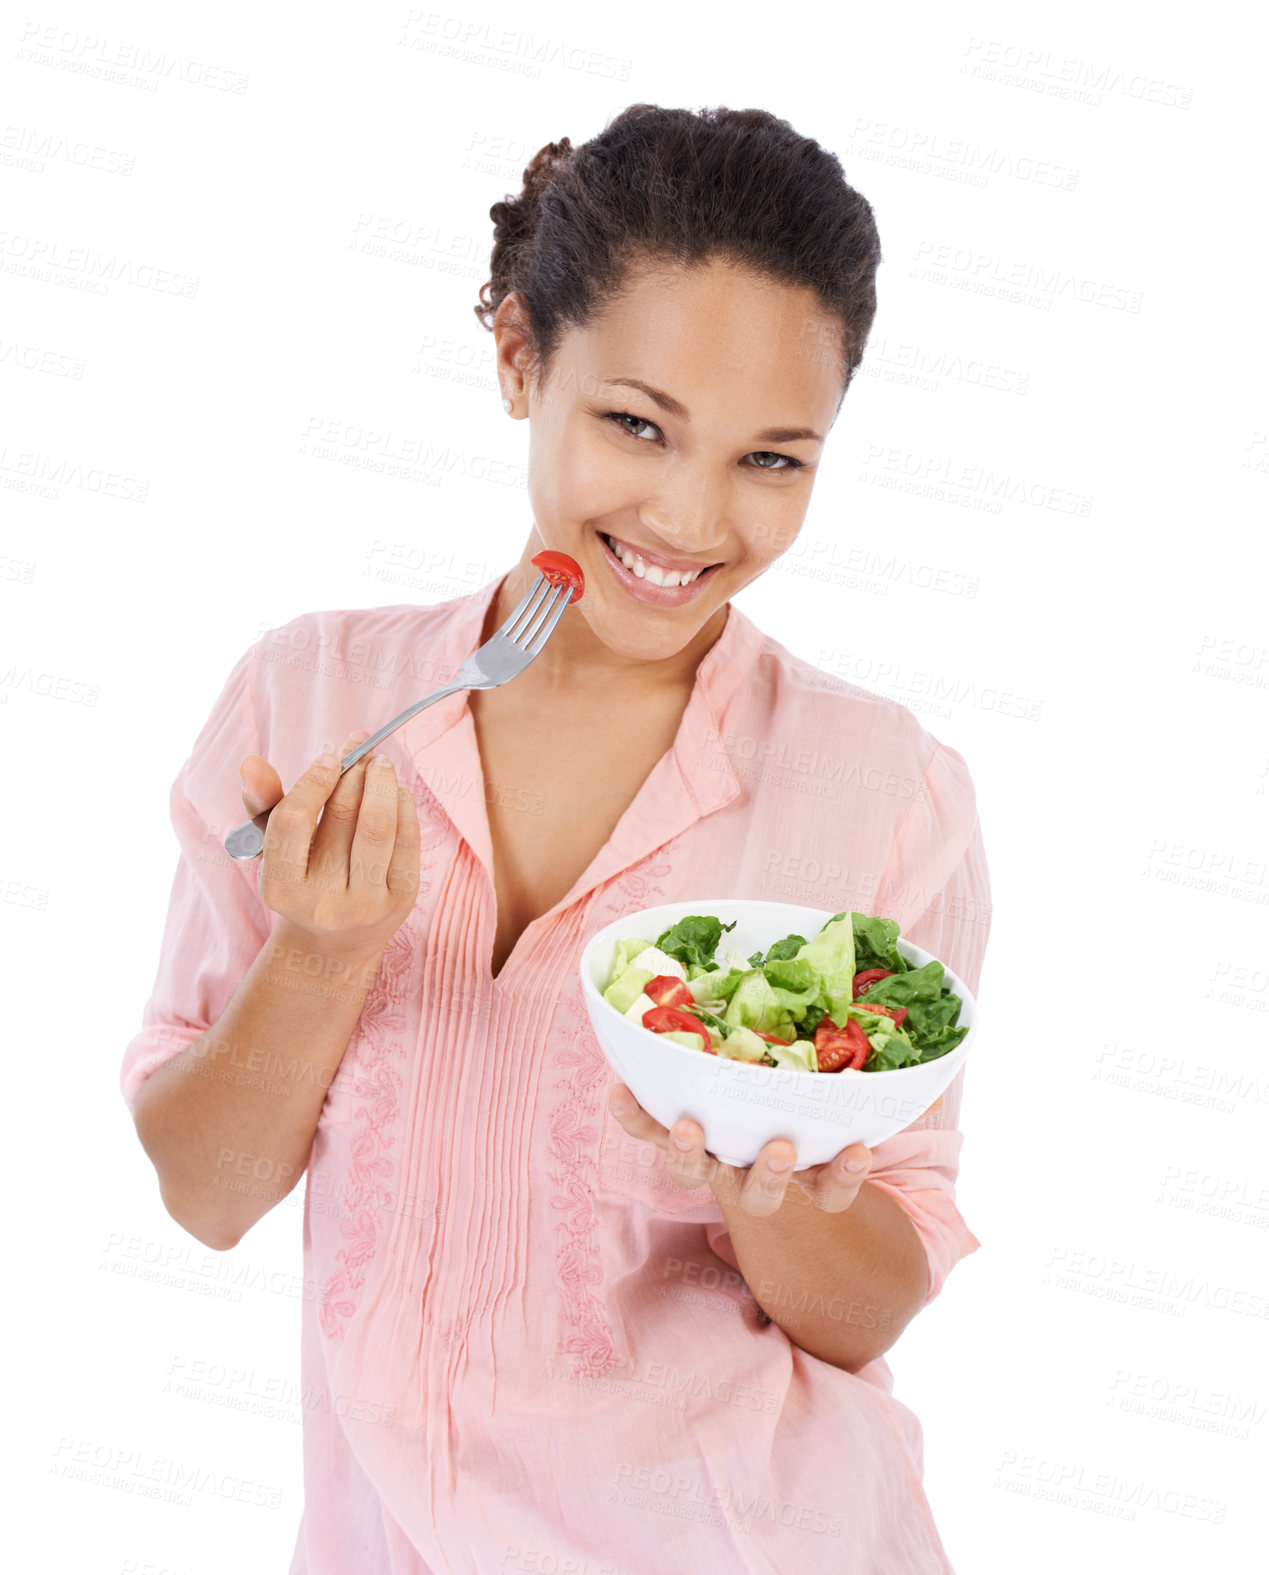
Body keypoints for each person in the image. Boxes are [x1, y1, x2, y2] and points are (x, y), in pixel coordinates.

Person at [122, 103, 992, 1574]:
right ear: (523, 358)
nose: (688, 515)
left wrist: (759, 1181)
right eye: (636, 424)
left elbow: (862, 1309)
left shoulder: (880, 786)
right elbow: (206, 1195)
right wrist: (321, 955)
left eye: (771, 460)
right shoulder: (314, 697)